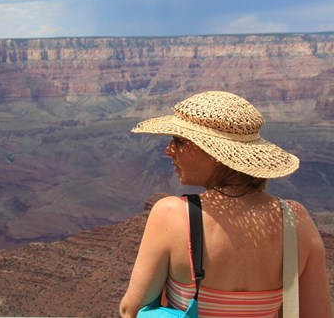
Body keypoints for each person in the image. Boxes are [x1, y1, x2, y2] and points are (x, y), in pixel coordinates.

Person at [119, 91, 331, 318]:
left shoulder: (172, 215)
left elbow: (131, 310)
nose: (168, 150)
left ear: (215, 153)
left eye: (179, 141)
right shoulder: (295, 220)